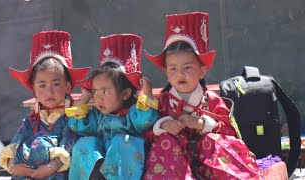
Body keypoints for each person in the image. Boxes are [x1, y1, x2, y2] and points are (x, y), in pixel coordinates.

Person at [143, 12, 263, 179]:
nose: (180, 74)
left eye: (188, 67)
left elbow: (231, 132)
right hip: (174, 167)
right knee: (165, 142)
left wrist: (201, 124)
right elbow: (145, 134)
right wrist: (162, 126)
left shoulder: (212, 101)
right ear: (166, 72)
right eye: (173, 68)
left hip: (209, 165)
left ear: (202, 71)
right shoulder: (162, 103)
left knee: (214, 140)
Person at [65, 34, 159, 180]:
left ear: (125, 94)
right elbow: (77, 126)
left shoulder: (132, 114)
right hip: (100, 167)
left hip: (125, 168)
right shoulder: (97, 116)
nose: (98, 97)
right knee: (87, 141)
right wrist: (84, 99)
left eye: (105, 91)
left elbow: (145, 121)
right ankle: (94, 175)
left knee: (123, 141)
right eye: (95, 92)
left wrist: (147, 95)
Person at [0, 30, 90, 179]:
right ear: (34, 89)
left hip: (56, 172)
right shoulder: (32, 120)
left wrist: (51, 167)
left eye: (55, 84)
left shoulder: (72, 117)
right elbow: (17, 142)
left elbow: (70, 143)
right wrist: (14, 167)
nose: (49, 91)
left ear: (67, 86)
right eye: (42, 85)